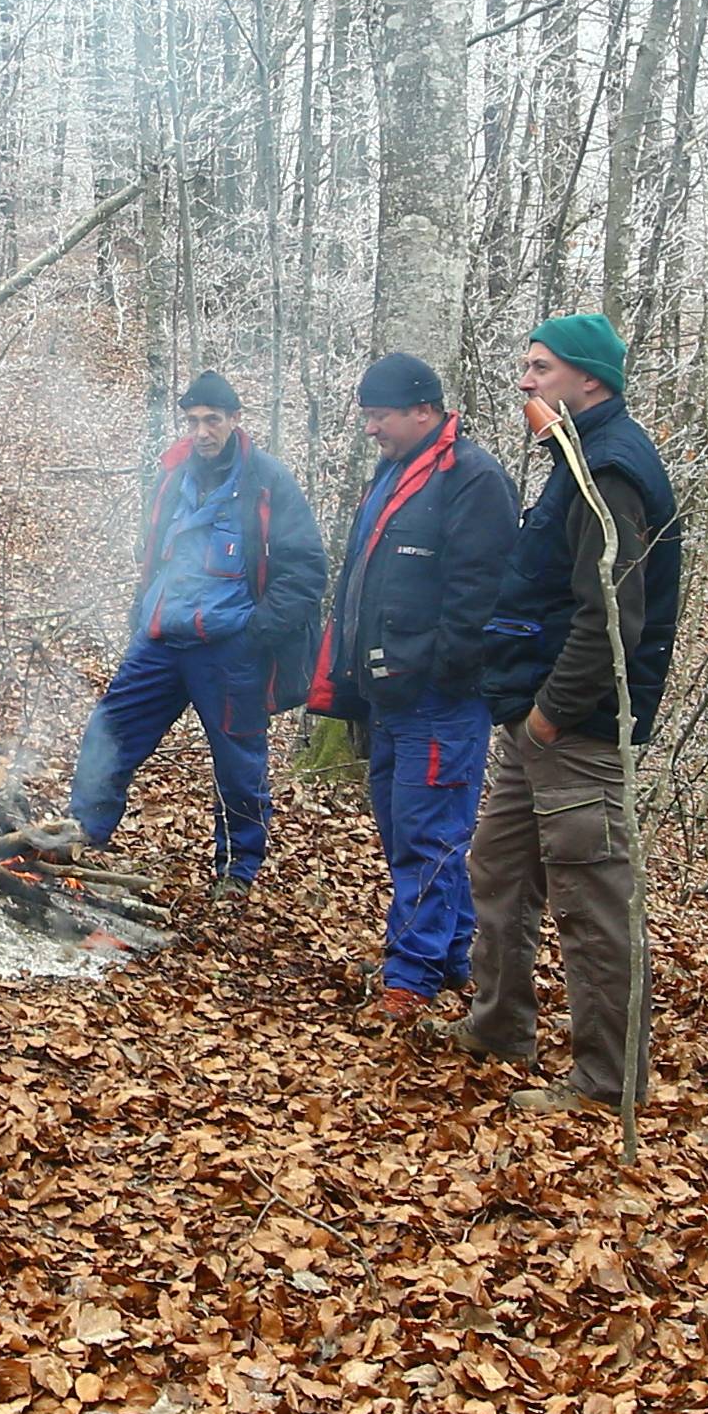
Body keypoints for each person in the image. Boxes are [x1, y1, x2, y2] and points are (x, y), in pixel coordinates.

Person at [451, 313, 681, 1117]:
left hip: (575, 727)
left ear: (589, 381)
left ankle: (607, 1081)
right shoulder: (576, 455)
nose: (525, 382)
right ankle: (498, 1028)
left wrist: (551, 717)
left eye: (540, 369)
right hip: (536, 718)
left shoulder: (609, 470)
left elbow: (612, 615)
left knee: (592, 902)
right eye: (526, 366)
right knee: (500, 869)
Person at [308, 352, 517, 1022]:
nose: (371, 428)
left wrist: (438, 673)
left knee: (429, 838)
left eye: (380, 415)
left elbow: (478, 596)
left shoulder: (474, 479)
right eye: (368, 415)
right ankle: (448, 956)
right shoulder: (397, 471)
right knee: (406, 834)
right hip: (388, 695)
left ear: (423, 411)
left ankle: (412, 978)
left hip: (438, 700)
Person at [67, 372, 325, 891]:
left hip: (230, 649)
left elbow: (305, 570)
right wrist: (143, 614)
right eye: (193, 421)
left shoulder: (267, 482)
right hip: (162, 640)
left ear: (234, 420)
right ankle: (78, 840)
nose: (202, 431)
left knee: (238, 764)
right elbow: (153, 552)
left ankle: (237, 871)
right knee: (108, 735)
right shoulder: (172, 476)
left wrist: (258, 634)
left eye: (212, 420)